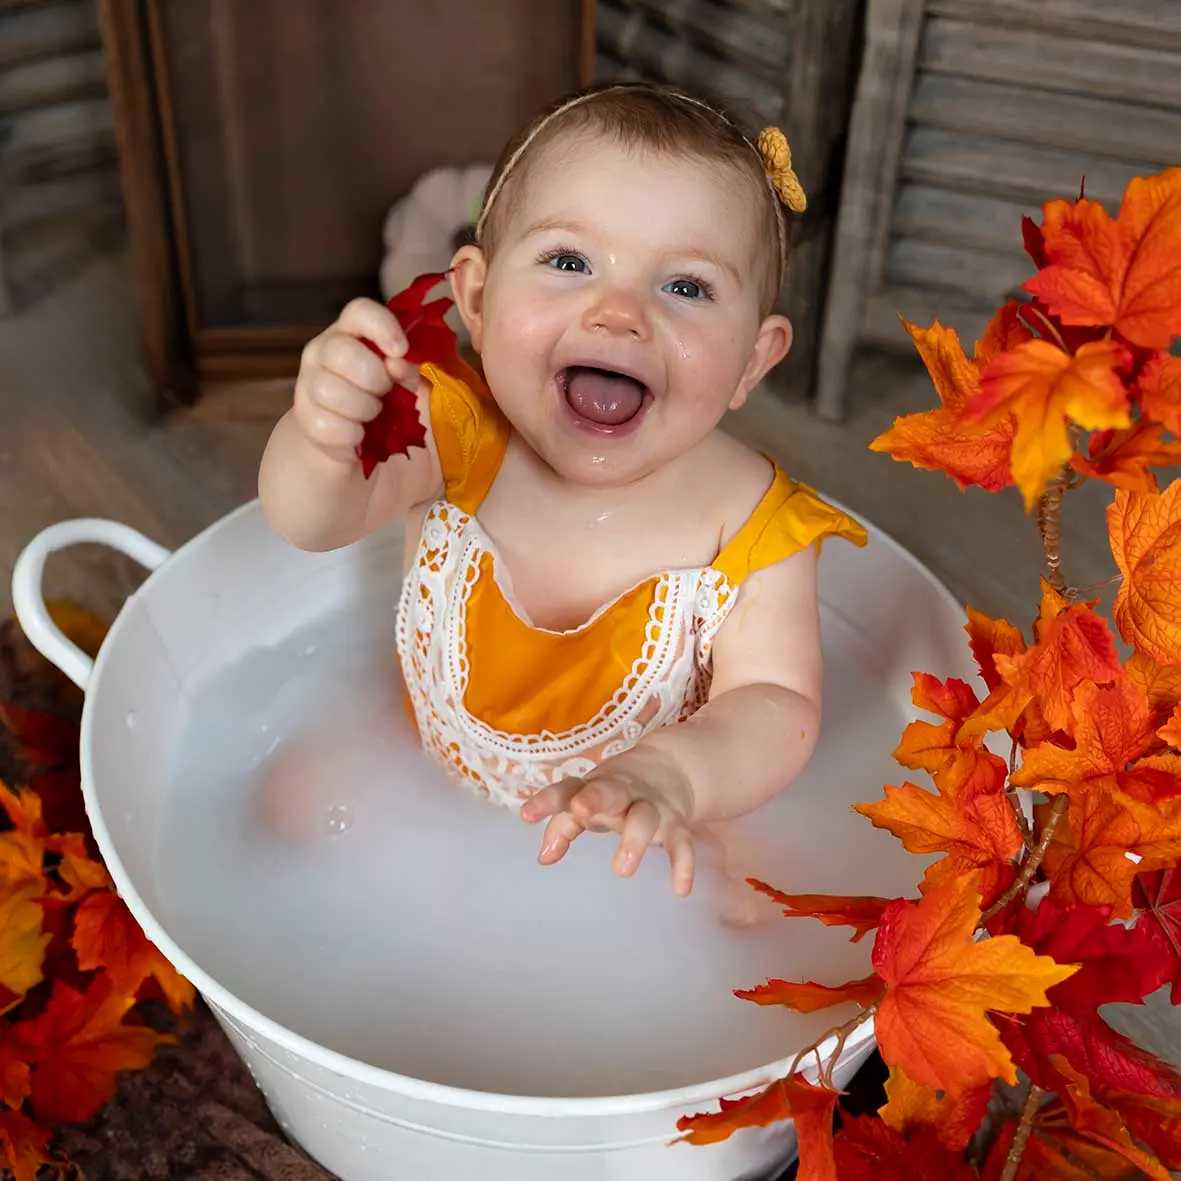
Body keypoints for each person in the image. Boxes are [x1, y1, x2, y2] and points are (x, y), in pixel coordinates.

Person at [258, 82, 866, 897]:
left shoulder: (753, 525)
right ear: (475, 297)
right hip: (431, 790)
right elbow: (310, 520)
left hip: (632, 829)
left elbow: (775, 702)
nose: (618, 313)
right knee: (286, 818)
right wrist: (324, 434)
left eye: (684, 286)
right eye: (568, 262)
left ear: (752, 362)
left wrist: (672, 778)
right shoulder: (452, 433)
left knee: (733, 907)